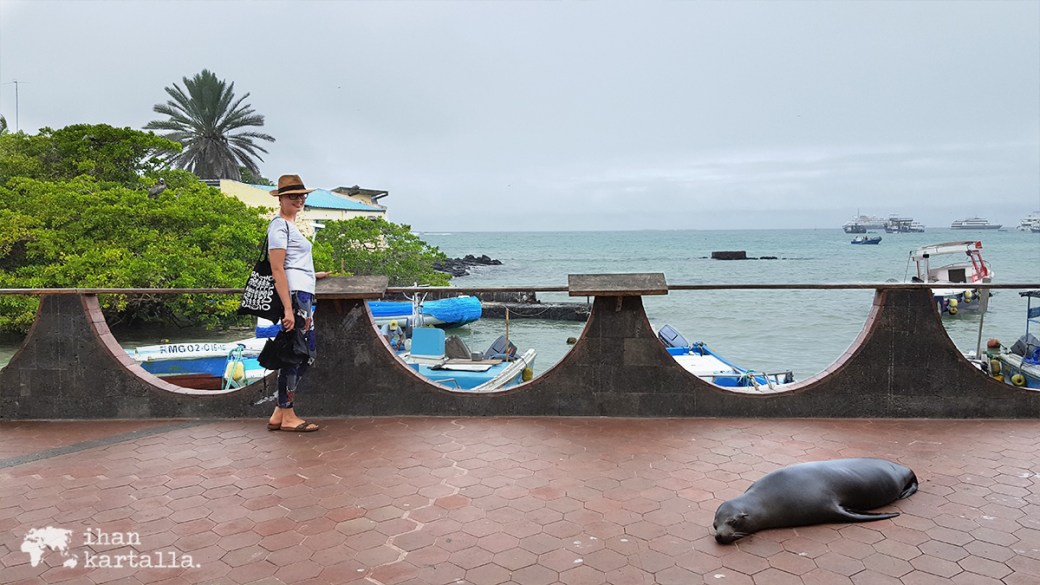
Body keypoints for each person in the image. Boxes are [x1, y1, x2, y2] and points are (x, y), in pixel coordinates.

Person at [265, 174, 330, 432]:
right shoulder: (279, 226)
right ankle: (288, 414)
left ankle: (279, 413)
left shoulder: (290, 225)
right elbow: (277, 269)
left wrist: (313, 275)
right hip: (294, 297)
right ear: (281, 198)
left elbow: (293, 264)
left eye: (302, 195)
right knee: (301, 354)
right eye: (293, 196)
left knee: (298, 353)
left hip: (302, 293)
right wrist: (289, 309)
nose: (299, 199)